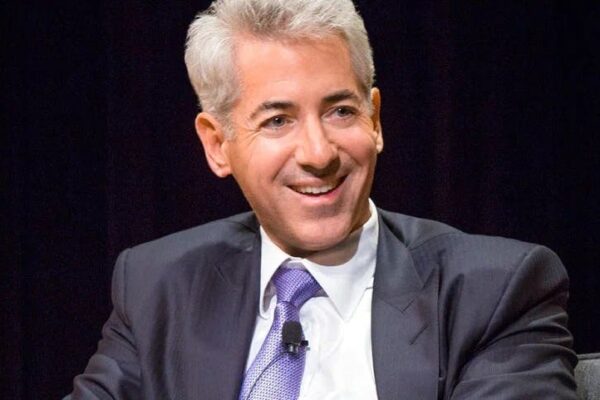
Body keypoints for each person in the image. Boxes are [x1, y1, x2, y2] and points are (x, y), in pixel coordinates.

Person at [66, 0, 578, 398]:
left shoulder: (492, 294)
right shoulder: (159, 286)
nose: (318, 153)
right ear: (217, 144)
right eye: (277, 121)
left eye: (340, 112)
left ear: (375, 120)